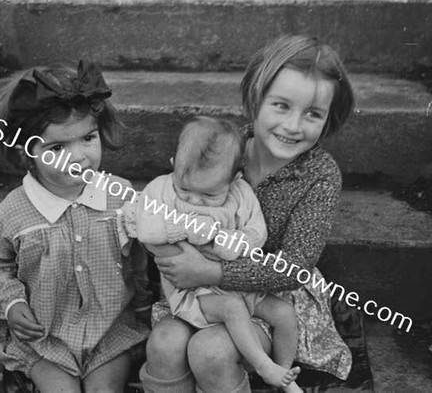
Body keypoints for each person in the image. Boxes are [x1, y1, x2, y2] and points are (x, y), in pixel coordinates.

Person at [139, 34, 355, 393]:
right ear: (256, 100)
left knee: (209, 351)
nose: (293, 126)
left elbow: (295, 265)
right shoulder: (222, 148)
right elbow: (165, 205)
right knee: (164, 343)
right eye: (281, 106)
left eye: (312, 114)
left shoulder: (319, 174)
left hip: (272, 294)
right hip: (198, 286)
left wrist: (214, 271)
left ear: (329, 119)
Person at [0, 61, 152, 393]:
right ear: (27, 152)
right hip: (45, 336)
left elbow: (140, 255)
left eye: (88, 138)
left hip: (109, 330)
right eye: (57, 148)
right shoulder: (12, 213)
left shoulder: (122, 196)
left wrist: (143, 302)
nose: (79, 156)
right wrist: (12, 303)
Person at [124, 117, 301, 392]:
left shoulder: (242, 195)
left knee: (285, 313)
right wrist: (188, 228)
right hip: (193, 295)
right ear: (174, 165)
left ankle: (285, 373)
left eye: (208, 195)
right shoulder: (161, 189)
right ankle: (264, 367)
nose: (194, 200)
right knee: (229, 309)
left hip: (240, 286)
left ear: (234, 179)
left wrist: (232, 243)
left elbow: (257, 234)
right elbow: (146, 229)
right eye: (185, 189)